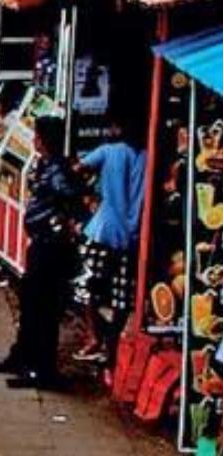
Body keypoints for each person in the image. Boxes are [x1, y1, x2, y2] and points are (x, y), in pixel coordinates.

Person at [0, 116, 86, 389]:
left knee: (44, 308)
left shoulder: (60, 171)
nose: (34, 141)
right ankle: (23, 356)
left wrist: (64, 223)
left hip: (52, 248)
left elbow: (74, 197)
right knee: (30, 303)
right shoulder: (45, 166)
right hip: (40, 243)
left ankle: (42, 369)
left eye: (37, 136)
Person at [71, 120, 146, 363]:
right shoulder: (148, 157)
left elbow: (78, 169)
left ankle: (94, 337)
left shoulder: (109, 151)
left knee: (86, 286)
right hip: (132, 236)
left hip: (103, 230)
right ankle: (111, 345)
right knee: (121, 296)